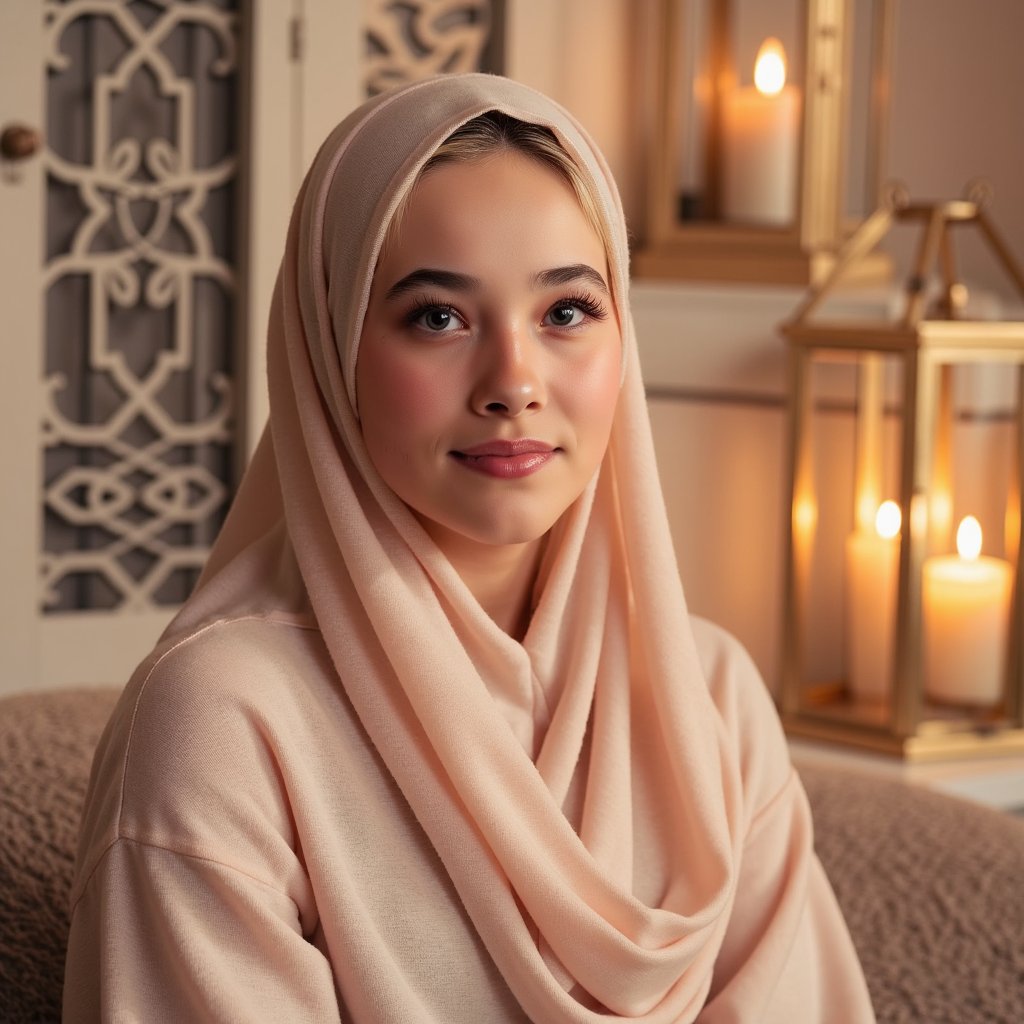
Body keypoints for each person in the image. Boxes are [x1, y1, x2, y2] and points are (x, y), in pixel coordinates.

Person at [63, 74, 875, 1022]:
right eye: (436, 316)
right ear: (332, 351)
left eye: (566, 310)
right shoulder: (226, 721)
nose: (512, 382)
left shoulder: (713, 700)